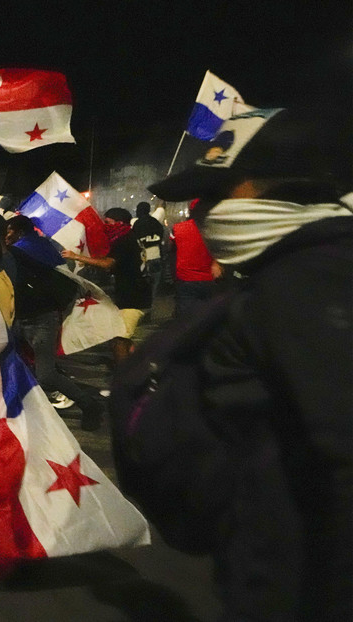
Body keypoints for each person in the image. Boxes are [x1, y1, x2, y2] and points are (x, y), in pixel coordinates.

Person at [140, 107, 352, 620]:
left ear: (296, 186)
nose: (201, 212)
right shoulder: (293, 273)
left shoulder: (310, 282)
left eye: (217, 193)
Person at [4, 215, 104, 431]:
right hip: (29, 315)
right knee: (18, 363)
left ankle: (90, 405)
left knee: (46, 374)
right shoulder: (40, 244)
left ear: (18, 231)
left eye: (9, 230)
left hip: (39, 317)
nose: (6, 235)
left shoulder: (21, 250)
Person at [62, 207, 151, 361]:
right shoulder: (129, 236)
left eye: (108, 222)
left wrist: (77, 256)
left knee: (119, 340)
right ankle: (138, 368)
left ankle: (124, 379)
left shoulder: (124, 240)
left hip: (132, 298)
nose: (105, 226)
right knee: (122, 338)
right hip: (133, 294)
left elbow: (107, 264)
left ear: (119, 223)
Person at [169, 202, 223, 319]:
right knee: (209, 317)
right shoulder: (216, 229)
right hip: (210, 279)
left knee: (186, 319)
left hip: (185, 278)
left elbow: (173, 250)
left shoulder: (178, 228)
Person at [131, 201, 166, 305]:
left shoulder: (135, 223)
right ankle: (150, 305)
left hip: (143, 259)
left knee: (141, 285)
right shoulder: (155, 222)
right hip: (156, 256)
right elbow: (160, 211)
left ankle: (142, 306)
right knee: (154, 284)